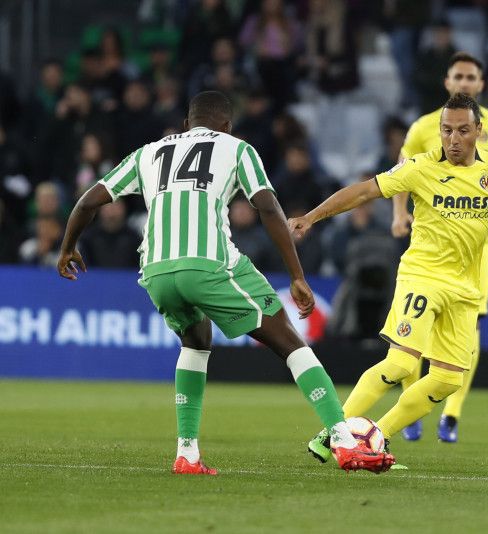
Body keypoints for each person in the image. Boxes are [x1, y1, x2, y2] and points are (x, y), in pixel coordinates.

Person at [56, 91, 394, 475]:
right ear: (227, 126)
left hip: (155, 269)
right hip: (209, 264)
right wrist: (297, 275)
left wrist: (67, 248)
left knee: (196, 340)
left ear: (186, 124)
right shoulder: (237, 149)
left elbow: (87, 201)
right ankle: (344, 440)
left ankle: (188, 453)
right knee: (287, 337)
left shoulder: (148, 152)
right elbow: (267, 206)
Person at [299, 94, 488, 463]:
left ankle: (376, 435)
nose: (454, 139)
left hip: (464, 289)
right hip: (422, 276)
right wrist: (312, 217)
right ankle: (330, 433)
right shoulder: (420, 167)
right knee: (400, 364)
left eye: (463, 130)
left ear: (479, 131)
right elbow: (364, 190)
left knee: (448, 379)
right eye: (447, 130)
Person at [391, 52, 488, 443]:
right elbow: (399, 173)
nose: (464, 83)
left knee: (471, 325)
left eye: (471, 77)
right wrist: (399, 214)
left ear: (480, 85)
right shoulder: (424, 128)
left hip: (479, 247)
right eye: (458, 76)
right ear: (447, 83)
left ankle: (452, 413)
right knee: (418, 327)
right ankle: (410, 409)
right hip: (432, 246)